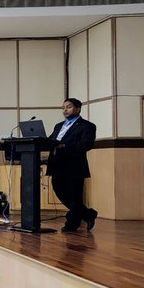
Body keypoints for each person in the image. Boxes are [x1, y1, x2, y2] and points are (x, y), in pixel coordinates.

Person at [48, 97, 99, 232]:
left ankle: (72, 223)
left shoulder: (87, 126)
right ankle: (87, 214)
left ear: (78, 109)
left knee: (75, 195)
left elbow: (86, 145)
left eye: (69, 107)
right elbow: (51, 141)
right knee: (60, 191)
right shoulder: (58, 126)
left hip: (74, 165)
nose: (65, 109)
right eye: (63, 107)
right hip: (57, 165)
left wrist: (64, 145)